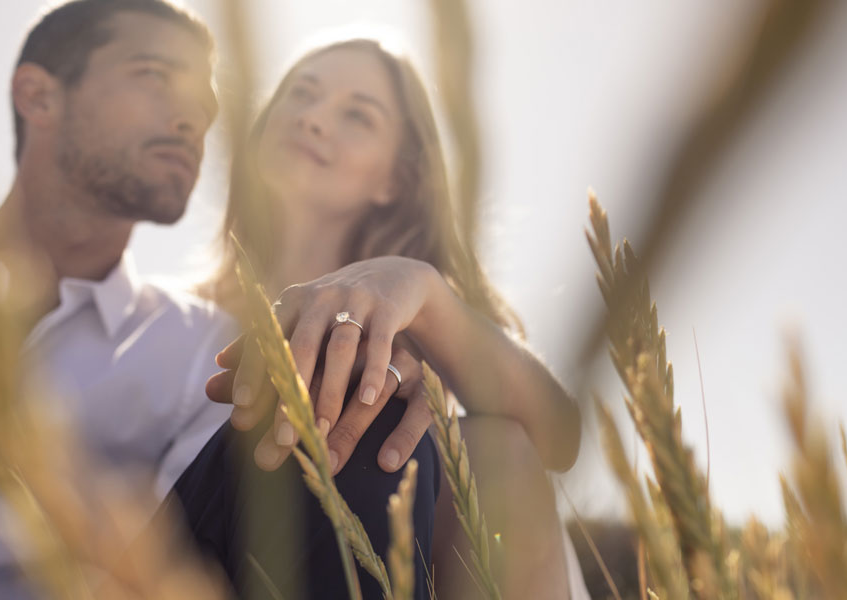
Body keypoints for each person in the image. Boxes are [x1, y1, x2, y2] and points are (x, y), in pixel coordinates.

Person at [0, 2, 435, 598]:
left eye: (205, 105)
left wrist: (390, 341)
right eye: (155, 76)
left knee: (346, 402)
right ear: (39, 95)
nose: (192, 117)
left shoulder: (212, 349)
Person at [193, 36, 588, 599]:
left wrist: (429, 295)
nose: (313, 119)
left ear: (394, 181)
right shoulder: (164, 316)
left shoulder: (417, 352)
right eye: (300, 93)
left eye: (358, 115)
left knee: (491, 445)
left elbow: (560, 437)